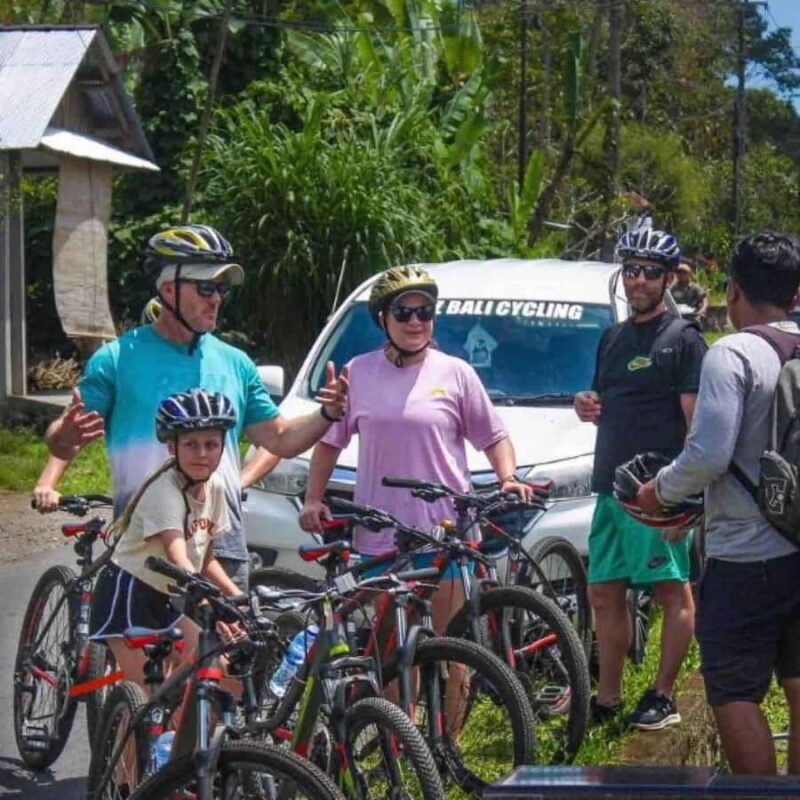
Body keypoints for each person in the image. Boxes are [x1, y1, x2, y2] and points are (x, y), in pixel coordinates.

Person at [34, 224, 348, 590]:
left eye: (221, 289)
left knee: (226, 647)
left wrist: (328, 414)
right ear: (168, 290)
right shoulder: (117, 359)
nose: (216, 299)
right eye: (206, 287)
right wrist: (64, 435)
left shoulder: (235, 362)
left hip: (218, 543)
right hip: (142, 546)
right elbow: (60, 443)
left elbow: (279, 439)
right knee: (140, 648)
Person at [636, 231, 800, 774]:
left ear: (732, 291)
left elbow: (708, 455)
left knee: (733, 691)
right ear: (795, 294)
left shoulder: (731, 354)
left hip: (744, 557)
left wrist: (658, 491)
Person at [298, 265, 535, 634]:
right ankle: (397, 697)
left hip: (445, 529)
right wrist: (313, 498)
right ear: (383, 319)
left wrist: (507, 477)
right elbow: (329, 443)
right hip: (382, 533)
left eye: (424, 312)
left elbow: (493, 436)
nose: (415, 322)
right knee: (393, 646)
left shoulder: (456, 373)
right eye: (403, 313)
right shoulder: (357, 372)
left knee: (452, 643)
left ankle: (458, 695)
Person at [574, 225, 707, 730]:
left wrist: (687, 499)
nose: (638, 281)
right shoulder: (611, 337)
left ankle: (662, 694)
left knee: (670, 591)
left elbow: (698, 427)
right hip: (611, 486)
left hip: (658, 493)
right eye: (630, 270)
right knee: (603, 593)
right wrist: (585, 405)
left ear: (669, 278)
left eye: (650, 272)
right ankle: (607, 698)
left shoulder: (684, 339)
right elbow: (603, 400)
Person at [90, 389, 243, 684]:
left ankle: (189, 730)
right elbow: (180, 557)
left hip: (161, 599)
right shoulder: (164, 490)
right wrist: (212, 604)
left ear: (223, 446)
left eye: (211, 444)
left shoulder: (216, 487)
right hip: (127, 596)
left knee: (219, 674)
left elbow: (205, 557)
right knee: (145, 698)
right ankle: (129, 727)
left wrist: (236, 597)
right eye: (191, 444)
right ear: (172, 447)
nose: (202, 453)